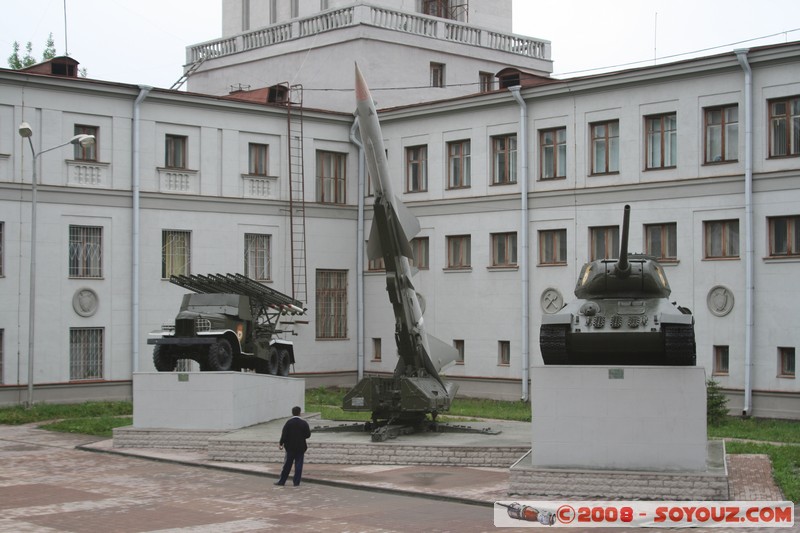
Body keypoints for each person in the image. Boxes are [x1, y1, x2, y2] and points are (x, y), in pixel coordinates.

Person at [275, 406, 311, 486]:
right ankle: (296, 482)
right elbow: (308, 435)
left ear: (292, 413)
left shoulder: (289, 423)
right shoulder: (304, 423)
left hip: (290, 448)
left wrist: (281, 443)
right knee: (298, 465)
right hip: (300, 447)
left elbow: (284, 434)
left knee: (287, 465)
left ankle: (282, 481)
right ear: (300, 413)